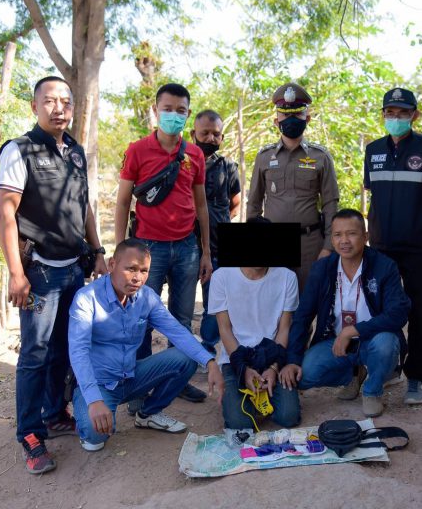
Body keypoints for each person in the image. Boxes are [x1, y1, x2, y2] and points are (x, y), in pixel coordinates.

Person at [0, 76, 108, 474]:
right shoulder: (19, 150)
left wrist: (97, 250)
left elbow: (84, 206)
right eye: (49, 101)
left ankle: (54, 413)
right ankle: (30, 434)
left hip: (74, 269)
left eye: (65, 101)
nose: (58, 108)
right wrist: (16, 273)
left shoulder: (75, 151)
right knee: (35, 354)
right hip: (40, 273)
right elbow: (5, 213)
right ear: (34, 106)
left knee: (64, 347)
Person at [68, 239, 223, 452]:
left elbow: (177, 331)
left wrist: (210, 362)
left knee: (186, 357)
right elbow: (79, 352)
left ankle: (148, 414)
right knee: (96, 437)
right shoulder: (87, 299)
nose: (137, 278)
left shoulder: (146, 297)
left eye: (144, 271)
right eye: (130, 269)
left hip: (131, 377)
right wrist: (94, 400)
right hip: (99, 383)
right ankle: (89, 409)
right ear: (112, 264)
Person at [114, 83, 213, 405]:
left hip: (186, 248)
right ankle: (138, 386)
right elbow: (123, 202)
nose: (174, 115)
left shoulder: (195, 154)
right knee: (139, 320)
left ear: (188, 114)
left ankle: (177, 380)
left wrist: (205, 251)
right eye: (167, 109)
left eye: (180, 110)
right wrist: (120, 252)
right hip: (147, 250)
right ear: (156, 111)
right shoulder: (137, 150)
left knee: (181, 321)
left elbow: (201, 206)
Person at [363, 87, 422, 405]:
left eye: (402, 112)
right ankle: (385, 369)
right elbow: (372, 195)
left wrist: (420, 224)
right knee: (379, 310)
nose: (396, 118)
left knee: (418, 313)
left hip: (415, 246)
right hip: (380, 247)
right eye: (390, 112)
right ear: (383, 115)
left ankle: (416, 377)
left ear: (415, 115)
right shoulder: (373, 150)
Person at [279, 209, 410, 418]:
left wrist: (352, 330)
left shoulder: (384, 266)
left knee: (386, 344)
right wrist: (293, 359)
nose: (344, 241)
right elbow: (302, 317)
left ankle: (372, 390)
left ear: (365, 237)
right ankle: (353, 375)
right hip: (337, 343)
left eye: (351, 234)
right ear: (331, 239)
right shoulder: (322, 269)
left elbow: (398, 313)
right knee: (305, 374)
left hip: (373, 340)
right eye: (338, 235)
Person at [246, 82, 340, 291]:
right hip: (273, 242)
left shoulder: (321, 157)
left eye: (297, 114)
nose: (291, 120)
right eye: (285, 115)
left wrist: (328, 247)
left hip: (310, 243)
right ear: (276, 121)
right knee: (273, 300)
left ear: (307, 119)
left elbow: (330, 204)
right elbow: (253, 203)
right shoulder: (264, 157)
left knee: (309, 300)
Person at [208, 234, 300, 431]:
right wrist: (243, 369)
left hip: (272, 354)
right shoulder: (221, 276)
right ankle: (236, 395)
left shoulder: (287, 277)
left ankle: (256, 396)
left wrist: (274, 368)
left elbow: (284, 328)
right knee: (240, 424)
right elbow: (224, 329)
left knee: (289, 417)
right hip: (235, 357)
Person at [190, 110, 241, 356]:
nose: (210, 138)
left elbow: (235, 203)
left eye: (216, 134)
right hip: (187, 244)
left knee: (216, 300)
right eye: (205, 133)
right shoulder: (182, 164)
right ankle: (181, 351)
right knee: (182, 301)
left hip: (220, 244)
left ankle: (207, 349)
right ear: (193, 134)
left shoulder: (228, 166)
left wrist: (215, 221)